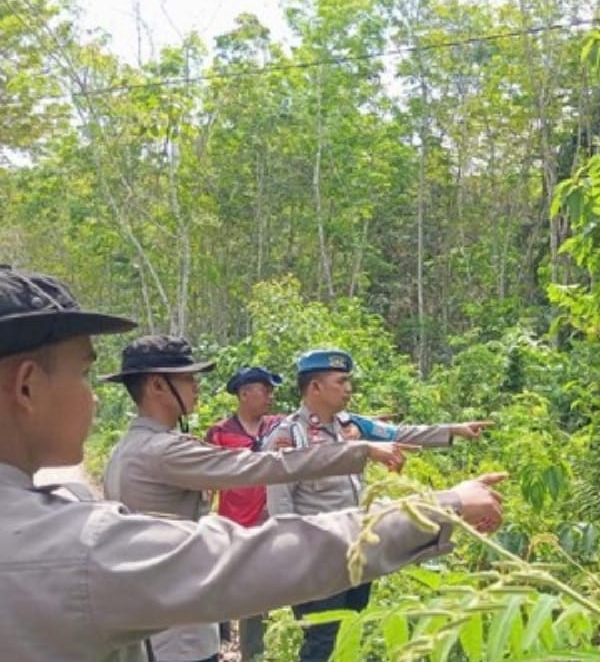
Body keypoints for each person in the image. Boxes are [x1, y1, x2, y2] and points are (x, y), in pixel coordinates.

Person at [0, 266, 506, 661]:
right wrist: (442, 507)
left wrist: (416, 440)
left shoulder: (95, 485)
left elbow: (396, 433)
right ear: (26, 386)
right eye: (84, 374)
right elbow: (258, 521)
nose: (91, 399)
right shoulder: (97, 518)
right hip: (178, 625)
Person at [98, 336, 456, 662]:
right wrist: (359, 451)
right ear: (158, 385)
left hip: (161, 616)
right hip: (177, 632)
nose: (197, 387)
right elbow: (263, 466)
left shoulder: (130, 448)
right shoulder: (163, 451)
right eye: (188, 379)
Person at [261, 349, 488, 662]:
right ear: (315, 387)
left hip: (357, 550)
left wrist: (453, 430)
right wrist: (293, 559)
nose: (349, 388)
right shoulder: (289, 436)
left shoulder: (351, 426)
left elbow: (398, 433)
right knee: (321, 638)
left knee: (351, 627)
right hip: (318, 556)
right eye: (340, 382)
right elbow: (281, 506)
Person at [204, 366, 287, 660]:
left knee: (258, 592)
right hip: (231, 525)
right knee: (223, 586)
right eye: (264, 390)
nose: (270, 396)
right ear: (244, 394)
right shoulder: (220, 433)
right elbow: (206, 480)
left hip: (267, 523)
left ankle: (253, 652)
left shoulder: (279, 427)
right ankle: (215, 641)